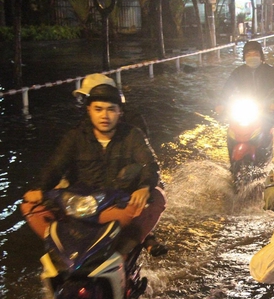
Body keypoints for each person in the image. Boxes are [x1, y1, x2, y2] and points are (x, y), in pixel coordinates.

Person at [21, 84, 167, 257]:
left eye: (111, 110)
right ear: (89, 110)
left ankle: (125, 250)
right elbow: (55, 166)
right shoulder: (75, 137)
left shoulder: (132, 135)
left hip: (115, 206)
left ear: (120, 112)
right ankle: (59, 247)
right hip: (82, 205)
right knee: (29, 206)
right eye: (98, 109)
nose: (104, 116)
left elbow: (149, 165)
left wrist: (144, 187)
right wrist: (40, 188)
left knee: (157, 196)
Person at [216, 40, 274, 130]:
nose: (252, 57)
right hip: (245, 108)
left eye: (255, 54)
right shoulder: (238, 72)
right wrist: (221, 103)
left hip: (266, 109)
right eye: (248, 55)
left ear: (261, 56)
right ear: (244, 57)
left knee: (267, 128)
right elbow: (228, 88)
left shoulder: (271, 72)